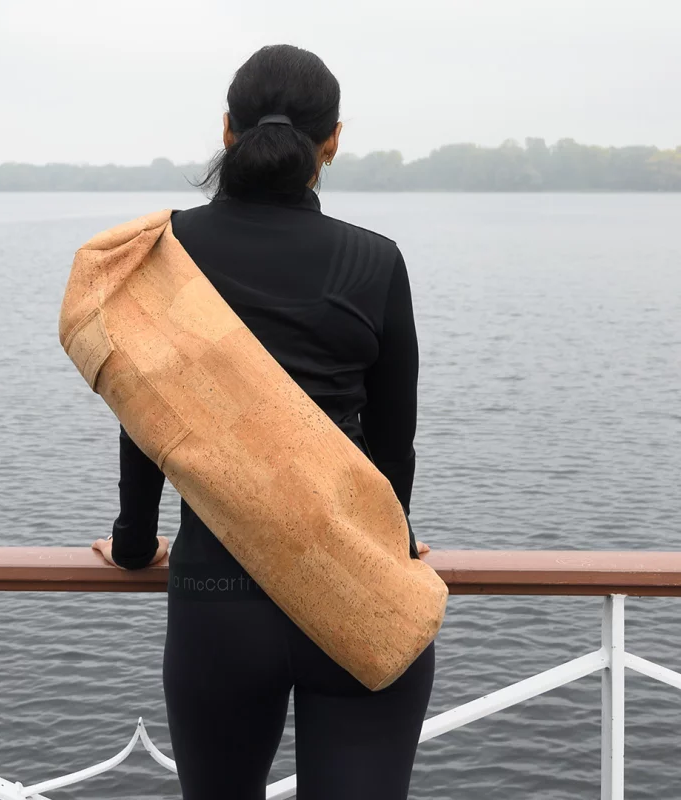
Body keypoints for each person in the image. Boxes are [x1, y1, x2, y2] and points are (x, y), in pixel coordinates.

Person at [92, 43, 434, 800]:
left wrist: (133, 544)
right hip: (355, 587)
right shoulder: (374, 261)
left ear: (226, 129)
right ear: (333, 140)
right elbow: (393, 444)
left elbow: (150, 420)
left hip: (218, 606)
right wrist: (395, 537)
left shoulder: (165, 255)